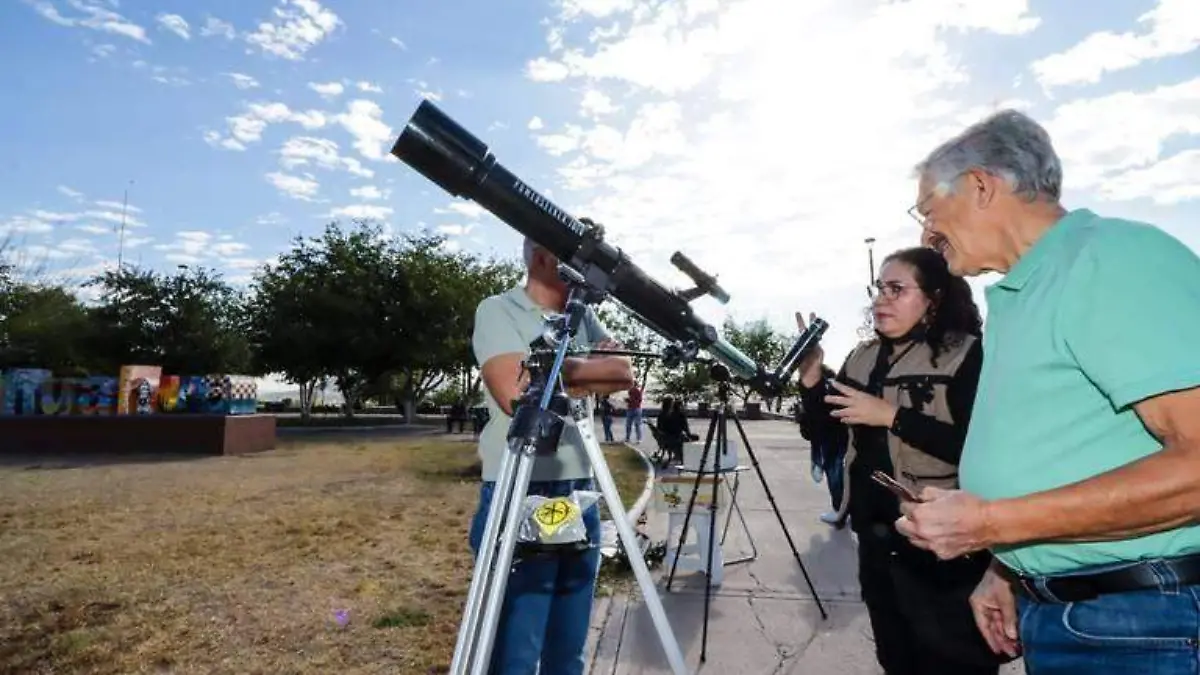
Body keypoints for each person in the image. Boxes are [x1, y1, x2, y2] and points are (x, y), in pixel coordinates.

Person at [895, 109, 1200, 674]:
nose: (925, 234)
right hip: (1076, 611)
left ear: (981, 185)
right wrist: (1009, 566)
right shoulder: (1027, 291)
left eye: (929, 211)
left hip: (1146, 620)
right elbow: (1071, 451)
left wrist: (990, 524)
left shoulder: (1107, 258)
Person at [795, 246, 1007, 675]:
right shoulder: (862, 357)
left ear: (934, 299)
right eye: (879, 289)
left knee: (952, 659)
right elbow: (824, 431)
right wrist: (813, 379)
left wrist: (892, 416)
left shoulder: (968, 355)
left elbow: (983, 449)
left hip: (943, 546)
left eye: (897, 289)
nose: (881, 299)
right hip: (876, 539)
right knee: (896, 656)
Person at [469, 236, 634, 674]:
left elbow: (622, 373)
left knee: (568, 646)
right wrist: (583, 370)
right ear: (543, 257)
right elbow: (515, 392)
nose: (588, 264)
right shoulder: (498, 310)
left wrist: (550, 367)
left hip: (578, 491)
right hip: (520, 488)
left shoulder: (583, 318)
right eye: (575, 254)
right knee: (515, 649)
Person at [800, 364, 848, 527]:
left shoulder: (819, 389)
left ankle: (839, 512)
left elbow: (813, 415)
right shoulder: (833, 386)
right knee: (838, 472)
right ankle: (842, 510)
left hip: (828, 436)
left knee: (834, 474)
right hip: (838, 434)